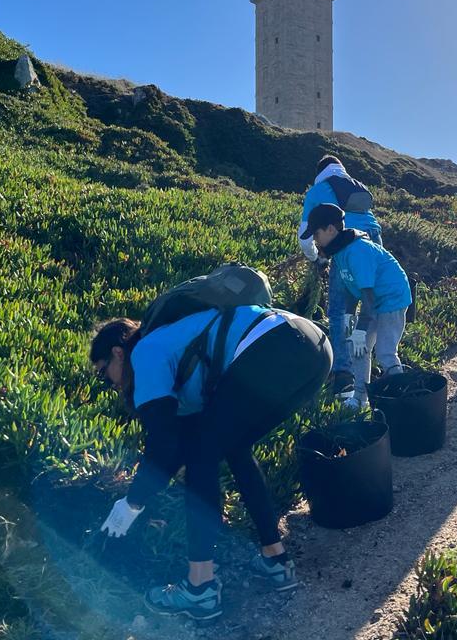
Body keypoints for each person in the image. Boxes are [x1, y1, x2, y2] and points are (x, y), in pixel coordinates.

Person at [90, 304, 332, 620]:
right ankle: (275, 559)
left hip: (273, 343)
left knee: (201, 455)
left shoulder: (145, 353)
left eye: (103, 372)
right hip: (314, 347)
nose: (110, 384)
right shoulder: (170, 349)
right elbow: (174, 447)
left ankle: (200, 587)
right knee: (234, 447)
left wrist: (132, 502)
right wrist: (135, 500)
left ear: (118, 353)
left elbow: (164, 444)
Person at [302, 203, 410, 405]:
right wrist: (348, 316)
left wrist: (360, 329)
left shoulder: (357, 252)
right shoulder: (340, 253)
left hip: (391, 299)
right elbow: (352, 288)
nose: (315, 241)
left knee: (385, 352)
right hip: (375, 300)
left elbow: (368, 297)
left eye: (316, 234)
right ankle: (360, 398)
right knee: (358, 349)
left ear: (330, 229)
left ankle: (402, 400)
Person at [297, 155, 382, 402]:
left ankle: (344, 375)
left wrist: (317, 258)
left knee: (339, 310)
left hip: (346, 244)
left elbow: (305, 236)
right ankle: (371, 362)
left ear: (320, 171)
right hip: (374, 240)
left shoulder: (318, 190)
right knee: (369, 302)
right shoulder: (356, 185)